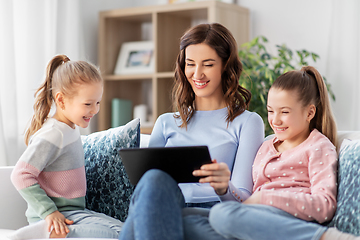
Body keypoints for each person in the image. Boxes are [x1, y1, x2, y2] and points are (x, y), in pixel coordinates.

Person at [118, 23, 264, 240]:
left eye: (208, 64)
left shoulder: (248, 122)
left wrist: (225, 187)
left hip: (213, 213)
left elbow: (245, 202)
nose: (197, 74)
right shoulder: (166, 122)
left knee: (144, 218)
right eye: (190, 64)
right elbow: (143, 187)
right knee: (154, 179)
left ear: (225, 66)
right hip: (163, 203)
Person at [205, 66, 360, 240]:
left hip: (289, 218)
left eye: (284, 112)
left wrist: (265, 198)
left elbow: (324, 206)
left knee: (220, 215)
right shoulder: (265, 146)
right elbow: (248, 203)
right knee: (189, 217)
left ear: (310, 112)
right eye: (271, 111)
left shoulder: (318, 146)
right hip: (256, 216)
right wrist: (225, 189)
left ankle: (324, 237)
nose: (275, 120)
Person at [10, 54, 123, 239]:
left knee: (127, 229)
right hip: (55, 217)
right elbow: (20, 175)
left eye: (97, 103)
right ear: (61, 100)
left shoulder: (69, 128)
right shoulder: (53, 133)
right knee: (119, 234)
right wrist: (49, 212)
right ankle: (41, 234)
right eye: (88, 104)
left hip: (74, 213)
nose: (94, 110)